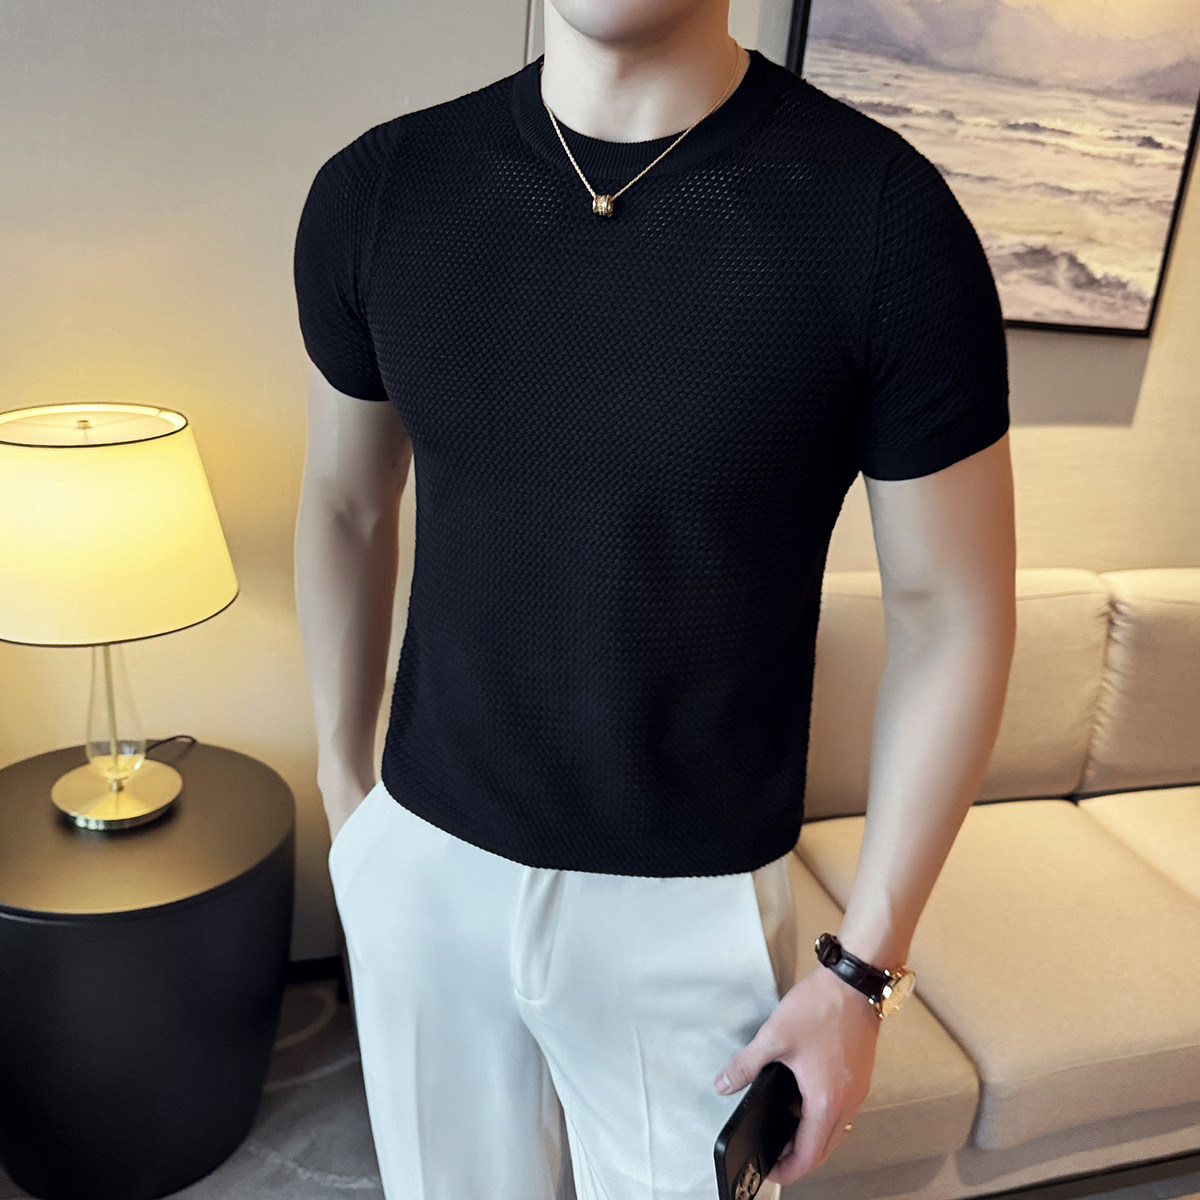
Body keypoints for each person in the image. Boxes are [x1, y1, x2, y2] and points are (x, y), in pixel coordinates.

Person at [292, 2, 1017, 1197]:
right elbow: (345, 502)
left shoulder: (884, 222)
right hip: (423, 861)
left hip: (690, 904)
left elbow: (952, 614)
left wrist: (864, 969)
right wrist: (342, 785)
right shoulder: (380, 192)